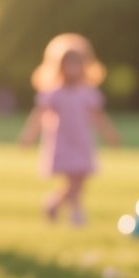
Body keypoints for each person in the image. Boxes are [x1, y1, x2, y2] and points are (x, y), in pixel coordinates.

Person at [18, 33, 119, 226]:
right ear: (59, 66)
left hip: (81, 141)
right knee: (73, 181)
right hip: (63, 141)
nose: (72, 68)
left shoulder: (87, 93)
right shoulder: (53, 93)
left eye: (77, 63)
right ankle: (76, 213)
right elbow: (38, 114)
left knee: (80, 179)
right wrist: (29, 135)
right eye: (68, 63)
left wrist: (110, 134)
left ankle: (53, 204)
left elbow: (98, 116)